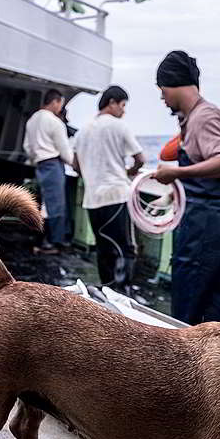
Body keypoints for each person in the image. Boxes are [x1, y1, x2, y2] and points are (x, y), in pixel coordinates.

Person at [151, 50, 220, 325]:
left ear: (172, 84)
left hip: (207, 229)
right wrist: (172, 192)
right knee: (204, 316)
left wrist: (176, 171)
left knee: (193, 314)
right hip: (206, 224)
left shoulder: (205, 116)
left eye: (161, 89)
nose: (162, 97)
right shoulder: (191, 120)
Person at [73, 85, 145, 291]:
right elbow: (140, 158)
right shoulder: (118, 126)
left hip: (92, 199)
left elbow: (76, 165)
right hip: (117, 195)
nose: (123, 111)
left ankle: (108, 292)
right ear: (112, 102)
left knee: (104, 249)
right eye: (122, 105)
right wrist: (130, 171)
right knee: (125, 249)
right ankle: (123, 293)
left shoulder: (83, 130)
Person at [23, 88, 74, 253]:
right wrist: (77, 166)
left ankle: (41, 240)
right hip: (53, 165)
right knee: (56, 205)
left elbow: (27, 147)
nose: (60, 108)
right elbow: (65, 152)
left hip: (39, 166)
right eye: (60, 104)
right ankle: (54, 242)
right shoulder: (55, 122)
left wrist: (35, 158)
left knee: (43, 204)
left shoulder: (32, 120)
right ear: (55, 102)